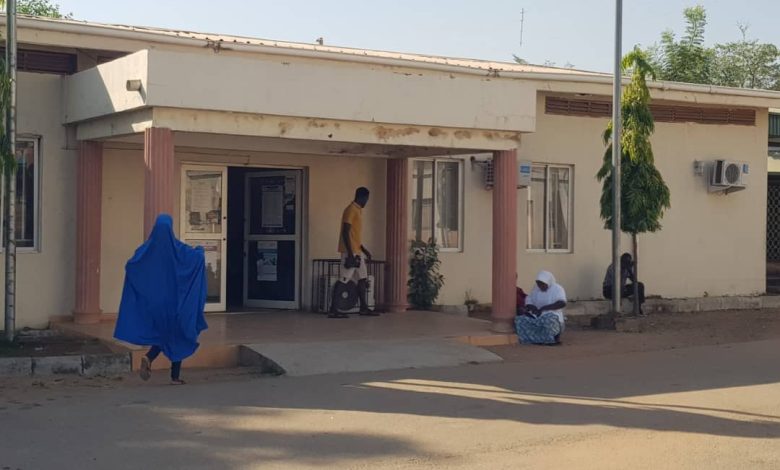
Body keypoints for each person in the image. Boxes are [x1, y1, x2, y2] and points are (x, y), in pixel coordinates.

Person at [114, 214, 208, 385]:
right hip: (175, 304)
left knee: (163, 334)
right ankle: (175, 376)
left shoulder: (145, 250)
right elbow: (196, 258)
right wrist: (200, 250)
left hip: (156, 305)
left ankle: (149, 357)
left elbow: (131, 265)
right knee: (177, 335)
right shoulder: (178, 249)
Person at [329, 187, 377, 318]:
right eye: (366, 199)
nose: (367, 201)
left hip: (357, 251)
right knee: (343, 279)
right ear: (361, 197)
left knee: (362, 278)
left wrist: (364, 250)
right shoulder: (351, 210)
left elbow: (354, 235)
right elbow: (346, 231)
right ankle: (333, 309)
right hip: (349, 252)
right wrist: (350, 253)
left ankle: (364, 308)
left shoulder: (358, 211)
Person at [515, 271, 567, 345]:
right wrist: (533, 308)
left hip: (552, 314)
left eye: (542, 284)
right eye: (538, 283)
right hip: (536, 314)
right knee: (520, 319)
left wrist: (543, 308)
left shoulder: (557, 289)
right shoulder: (536, 289)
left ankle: (552, 339)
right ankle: (534, 339)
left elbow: (562, 303)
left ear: (548, 282)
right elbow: (529, 300)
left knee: (548, 320)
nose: (539, 286)